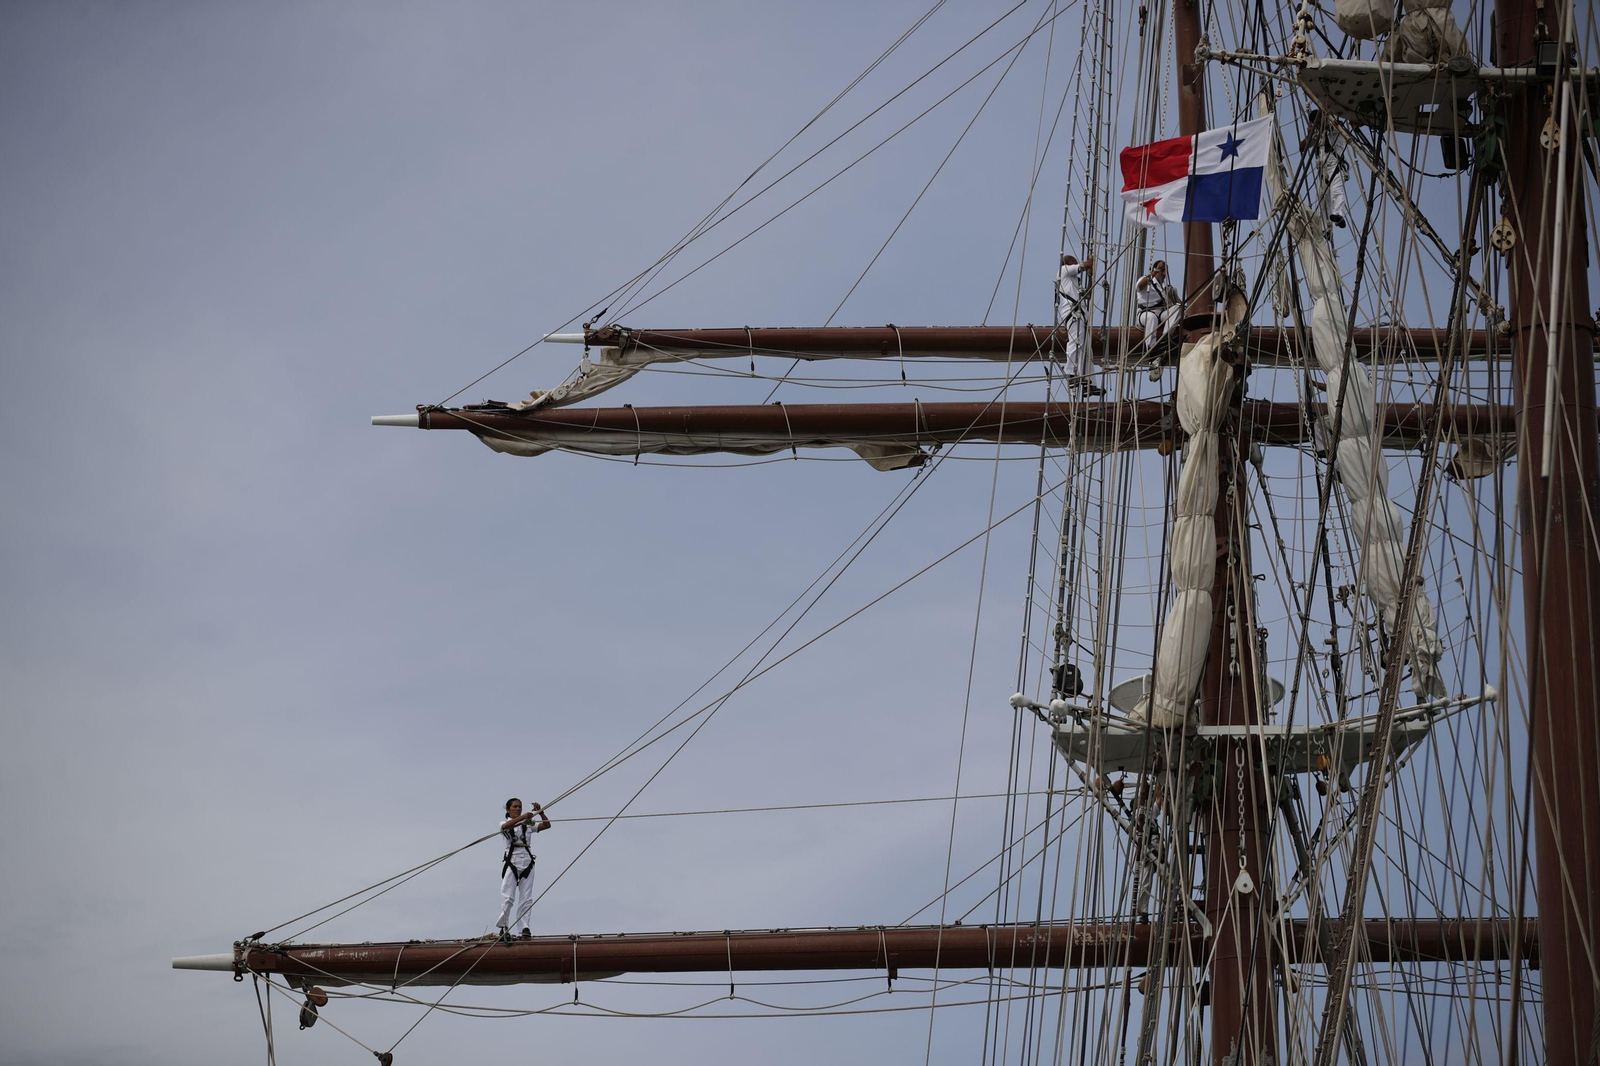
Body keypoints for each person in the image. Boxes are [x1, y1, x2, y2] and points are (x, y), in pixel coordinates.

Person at [497, 797, 552, 939]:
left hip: (527, 861)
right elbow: (505, 827)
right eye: (514, 807)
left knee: (527, 898)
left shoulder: (528, 825)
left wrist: (541, 812)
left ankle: (525, 927)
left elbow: (546, 825)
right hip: (512, 861)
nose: (518, 809)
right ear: (508, 809)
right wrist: (522, 817)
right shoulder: (504, 823)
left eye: (519, 806)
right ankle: (504, 926)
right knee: (508, 896)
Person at [1303, 111, 1351, 230]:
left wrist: (1321, 124)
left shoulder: (1336, 127)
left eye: (1318, 121)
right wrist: (1310, 134)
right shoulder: (1317, 135)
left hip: (1335, 164)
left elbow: (1330, 126)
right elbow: (1302, 147)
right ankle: (1325, 227)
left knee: (1336, 189)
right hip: (1322, 168)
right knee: (1323, 197)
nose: (1317, 124)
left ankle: (1339, 214)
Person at [1056, 253, 1097, 386]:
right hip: (1072, 312)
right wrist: (1091, 260)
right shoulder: (1063, 270)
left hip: (1081, 314)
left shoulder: (1075, 282)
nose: (1076, 264)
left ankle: (1088, 381)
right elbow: (1086, 265)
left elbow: (1088, 293)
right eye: (1074, 262)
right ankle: (1071, 372)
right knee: (1075, 341)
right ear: (1068, 264)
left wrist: (1090, 277)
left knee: (1086, 349)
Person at [1135, 259, 1182, 352]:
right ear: (1155, 270)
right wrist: (1153, 273)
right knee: (1152, 318)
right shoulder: (1146, 280)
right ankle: (1151, 348)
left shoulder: (1165, 287)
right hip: (1145, 314)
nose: (1164, 274)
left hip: (1160, 315)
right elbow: (1139, 286)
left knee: (1178, 307)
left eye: (1165, 271)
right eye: (1162, 270)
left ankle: (1165, 339)